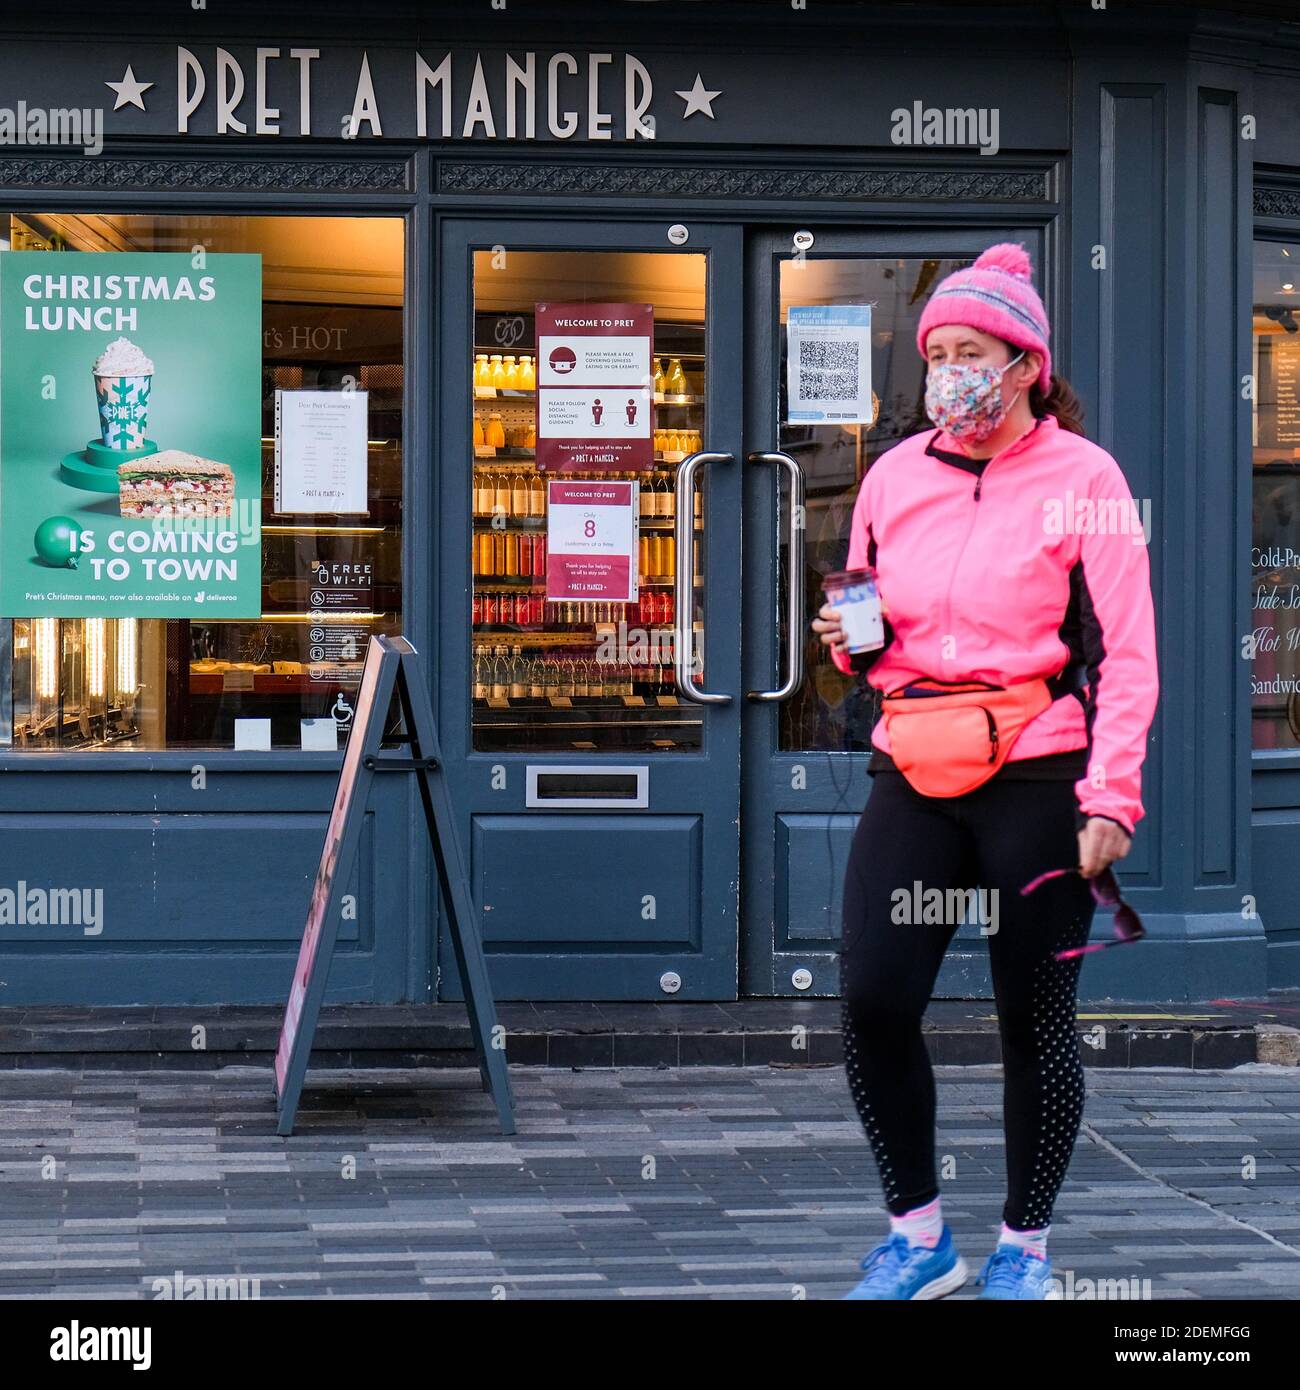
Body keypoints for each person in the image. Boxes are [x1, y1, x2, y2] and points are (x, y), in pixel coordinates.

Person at [813, 243, 1158, 1300]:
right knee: (873, 995)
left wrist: (1111, 797)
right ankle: (919, 1237)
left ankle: (1023, 1249)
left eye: (973, 352)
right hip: (912, 760)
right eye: (939, 353)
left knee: (1032, 1015)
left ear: (1024, 366)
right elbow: (866, 625)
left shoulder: (1085, 480)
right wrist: (845, 638)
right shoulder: (890, 475)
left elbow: (1127, 651)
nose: (951, 372)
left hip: (1038, 776)